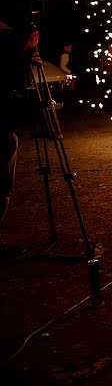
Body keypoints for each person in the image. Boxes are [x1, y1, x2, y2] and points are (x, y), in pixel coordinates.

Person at [1, 22, 39, 256]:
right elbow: (14, 84)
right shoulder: (10, 59)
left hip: (6, 128)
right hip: (3, 129)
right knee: (2, 187)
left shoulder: (12, 57)